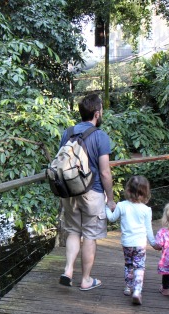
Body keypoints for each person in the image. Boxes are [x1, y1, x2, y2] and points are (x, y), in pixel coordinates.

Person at [58, 94, 116, 291]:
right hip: (93, 191)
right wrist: (111, 199)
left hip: (70, 191)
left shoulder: (68, 133)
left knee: (74, 231)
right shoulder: (100, 136)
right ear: (97, 113)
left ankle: (68, 270)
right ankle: (86, 280)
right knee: (90, 235)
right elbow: (105, 171)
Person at [105, 175, 160, 305]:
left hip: (127, 243)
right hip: (140, 244)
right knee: (139, 266)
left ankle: (128, 287)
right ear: (146, 192)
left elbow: (111, 218)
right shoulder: (147, 210)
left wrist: (107, 207)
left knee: (129, 265)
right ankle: (137, 290)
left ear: (128, 190)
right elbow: (148, 229)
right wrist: (154, 243)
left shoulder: (122, 205)